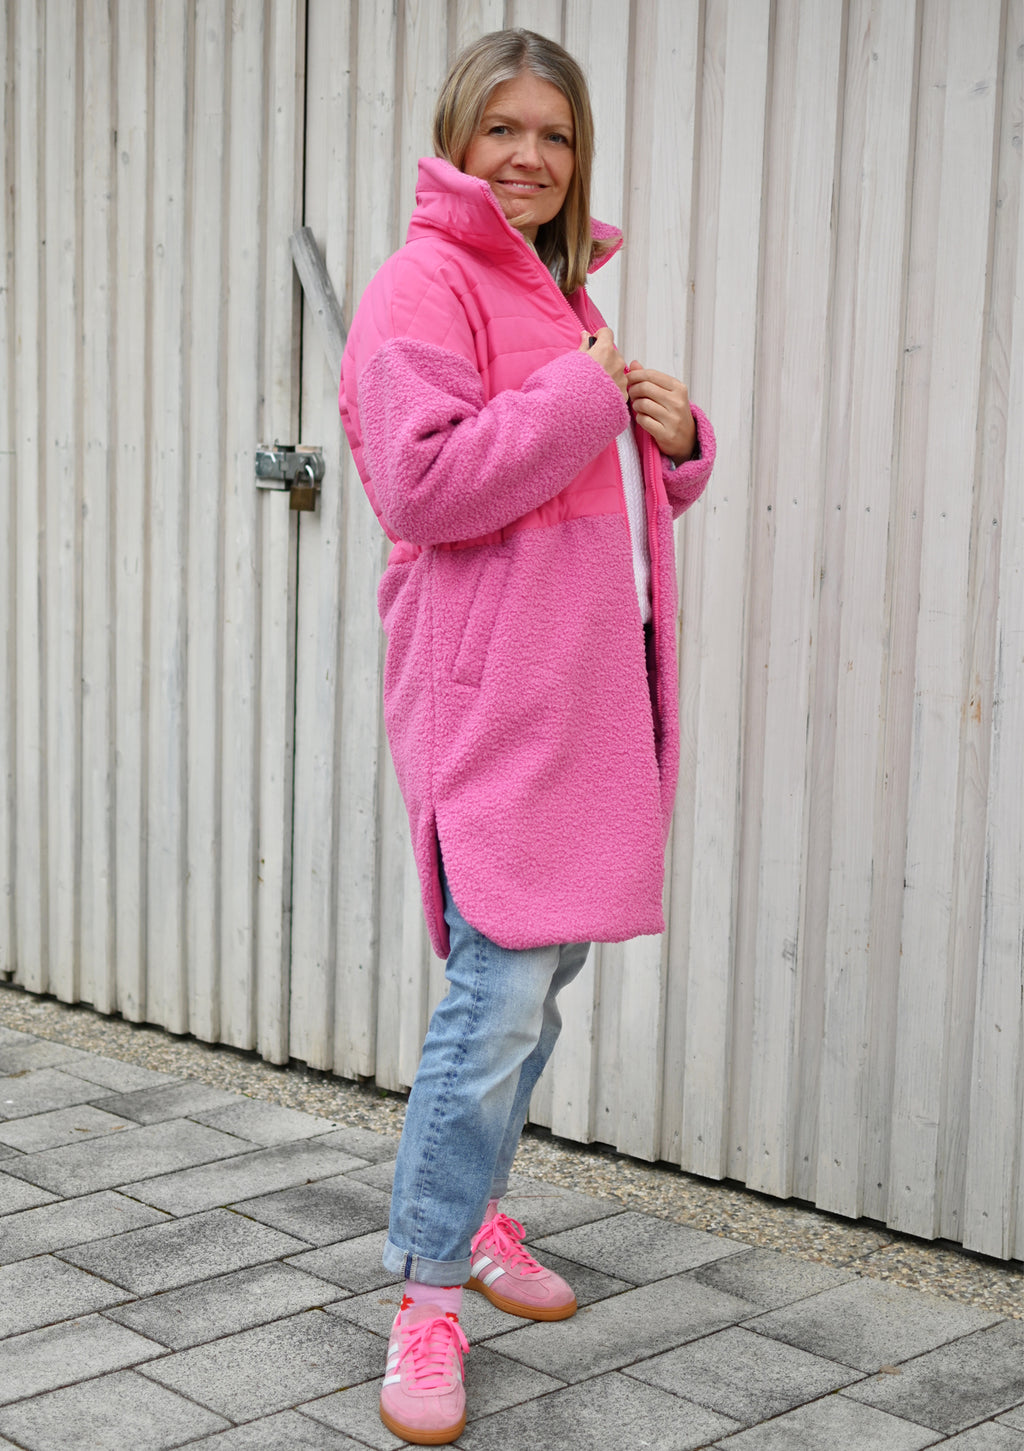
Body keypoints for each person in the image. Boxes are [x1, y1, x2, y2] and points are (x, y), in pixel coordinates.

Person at [339, 27, 715, 1446]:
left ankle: (481, 1212)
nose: (530, 156)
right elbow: (426, 487)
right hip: (494, 700)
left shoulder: (560, 295)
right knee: (491, 1002)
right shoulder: (421, 286)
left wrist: (669, 443)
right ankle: (428, 1292)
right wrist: (585, 395)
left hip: (583, 697)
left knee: (538, 989)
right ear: (458, 136)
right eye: (502, 127)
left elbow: (573, 492)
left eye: (554, 134)